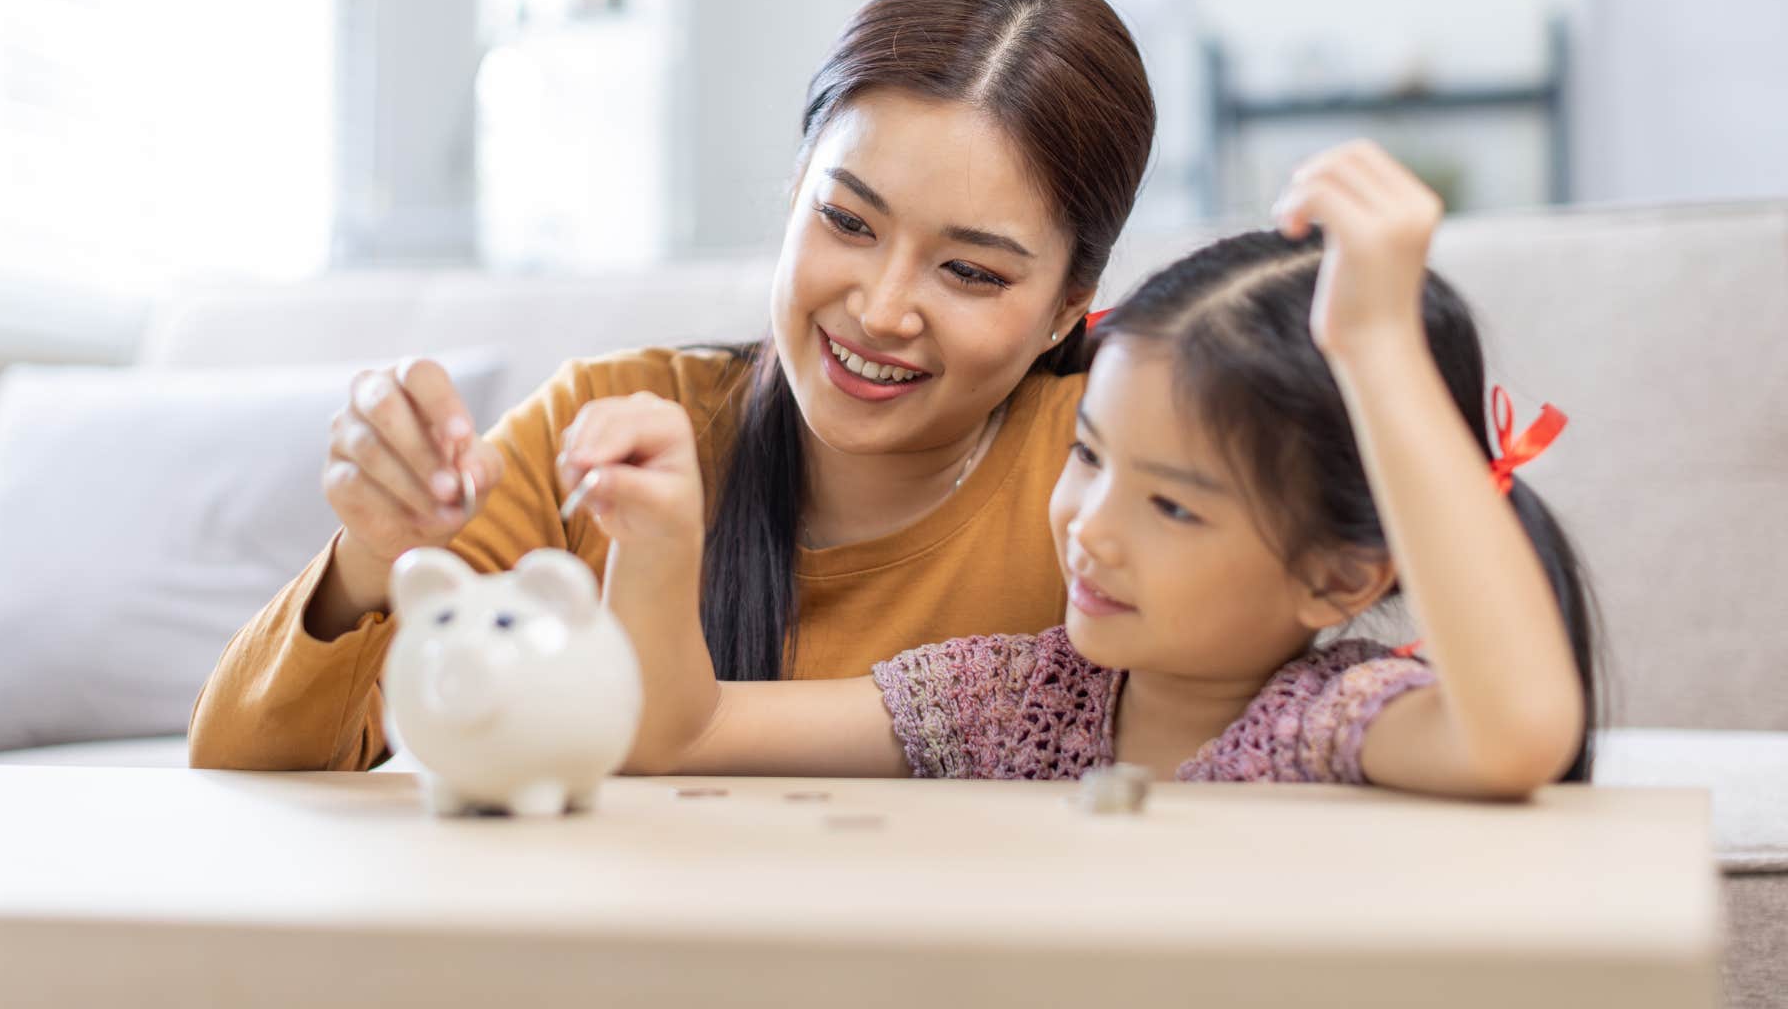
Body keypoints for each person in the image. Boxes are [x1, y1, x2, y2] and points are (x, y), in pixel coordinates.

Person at [187, 0, 1157, 771]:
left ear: (1066, 308)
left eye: (970, 271)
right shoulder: (608, 426)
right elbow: (242, 768)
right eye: (847, 221)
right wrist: (370, 555)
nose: (881, 308)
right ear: (792, 193)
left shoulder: (1110, 482)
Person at [587, 141, 1598, 798]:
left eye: (1171, 504)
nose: (1090, 527)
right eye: (1088, 456)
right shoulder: (1016, 697)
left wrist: (1375, 346)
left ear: (1337, 575)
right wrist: (661, 541)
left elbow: (1518, 732)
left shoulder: (1329, 725)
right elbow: (682, 733)